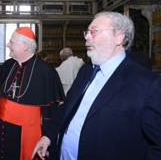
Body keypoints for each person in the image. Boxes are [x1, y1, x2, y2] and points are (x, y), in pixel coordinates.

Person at [32, 11, 161, 160]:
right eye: (87, 32)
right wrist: (48, 136)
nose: (87, 36)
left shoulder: (147, 84)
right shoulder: (86, 70)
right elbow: (66, 108)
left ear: (118, 37)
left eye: (95, 31)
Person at [0, 27, 65, 160]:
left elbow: (51, 115)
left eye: (11, 42)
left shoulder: (46, 71)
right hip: (1, 129)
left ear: (24, 45)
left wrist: (48, 138)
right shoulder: (8, 65)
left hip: (27, 134)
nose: (8, 45)